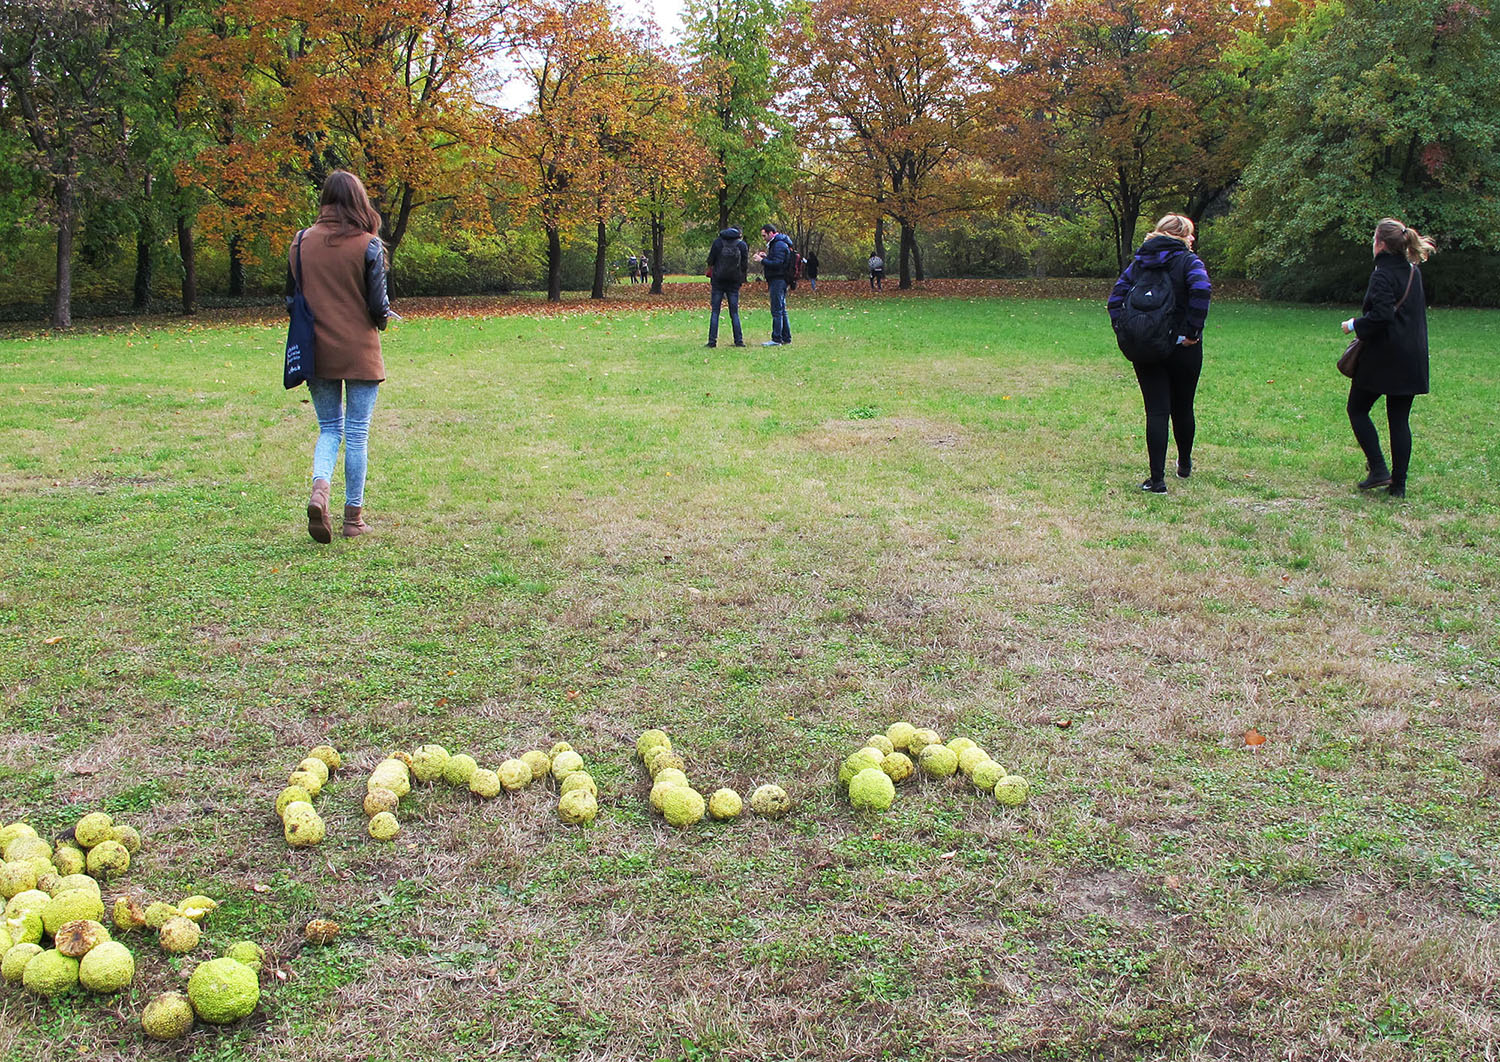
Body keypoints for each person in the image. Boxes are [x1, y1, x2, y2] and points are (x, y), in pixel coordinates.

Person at [285, 170, 389, 541]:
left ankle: (320, 489)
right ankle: (353, 518)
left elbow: (290, 301)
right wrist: (384, 318)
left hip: (316, 352)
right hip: (360, 350)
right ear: (358, 200)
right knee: (357, 433)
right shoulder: (369, 245)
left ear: (325, 200)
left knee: (330, 428)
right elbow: (378, 306)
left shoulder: (299, 243)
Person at [1107, 213, 1212, 494]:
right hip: (1183, 347)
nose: (1192, 239)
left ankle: (1157, 480)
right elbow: (1202, 289)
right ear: (1181, 235)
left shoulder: (1140, 263)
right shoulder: (1189, 262)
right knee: (1183, 406)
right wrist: (1192, 332)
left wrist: (1125, 331)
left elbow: (1115, 298)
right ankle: (1185, 464)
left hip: (1147, 346)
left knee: (1156, 411)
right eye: (1190, 233)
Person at [1340, 218, 1435, 498]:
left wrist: (1354, 325)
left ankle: (1379, 468)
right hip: (1412, 356)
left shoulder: (1382, 274)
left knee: (1357, 409)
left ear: (1379, 243)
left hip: (1383, 356)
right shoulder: (1412, 272)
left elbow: (1382, 316)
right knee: (1399, 419)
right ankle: (1399, 486)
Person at [706, 226, 749, 347]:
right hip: (734, 282)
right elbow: (744, 265)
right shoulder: (742, 245)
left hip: (718, 281)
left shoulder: (718, 243)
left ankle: (712, 341)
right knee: (734, 312)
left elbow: (710, 260)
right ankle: (739, 341)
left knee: (715, 312)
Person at [753, 223, 793, 346]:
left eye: (764, 235)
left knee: (776, 310)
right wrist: (767, 256)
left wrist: (762, 261)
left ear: (771, 233)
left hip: (778, 280)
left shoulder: (779, 244)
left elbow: (778, 263)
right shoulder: (778, 244)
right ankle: (786, 337)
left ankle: (776, 339)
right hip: (780, 279)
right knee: (782, 310)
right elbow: (777, 259)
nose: (763, 238)